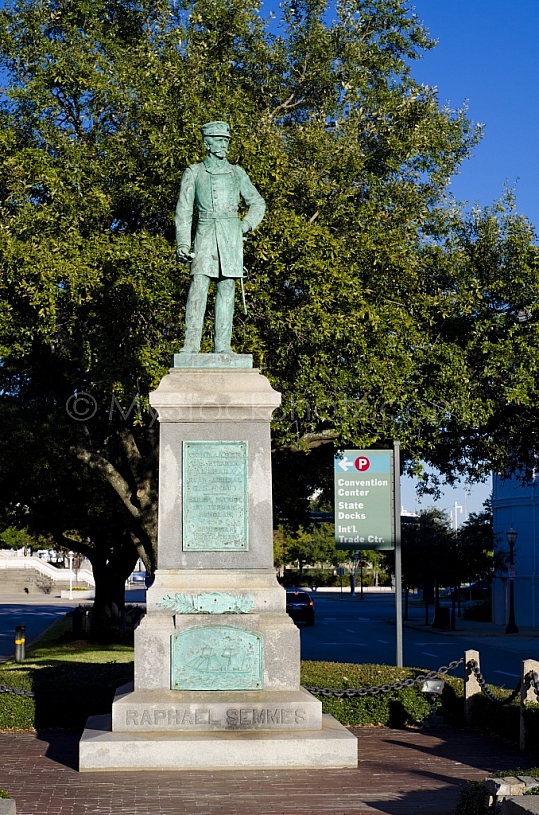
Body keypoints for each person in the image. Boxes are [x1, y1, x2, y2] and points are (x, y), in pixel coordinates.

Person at [175, 121, 266, 354]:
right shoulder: (194, 172)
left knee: (227, 288)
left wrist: (246, 225)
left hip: (230, 235)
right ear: (207, 143)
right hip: (205, 232)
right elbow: (184, 211)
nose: (223, 144)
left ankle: (223, 347)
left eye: (226, 140)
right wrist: (183, 243)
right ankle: (191, 345)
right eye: (218, 140)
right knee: (199, 285)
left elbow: (257, 202)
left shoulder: (237, 173)